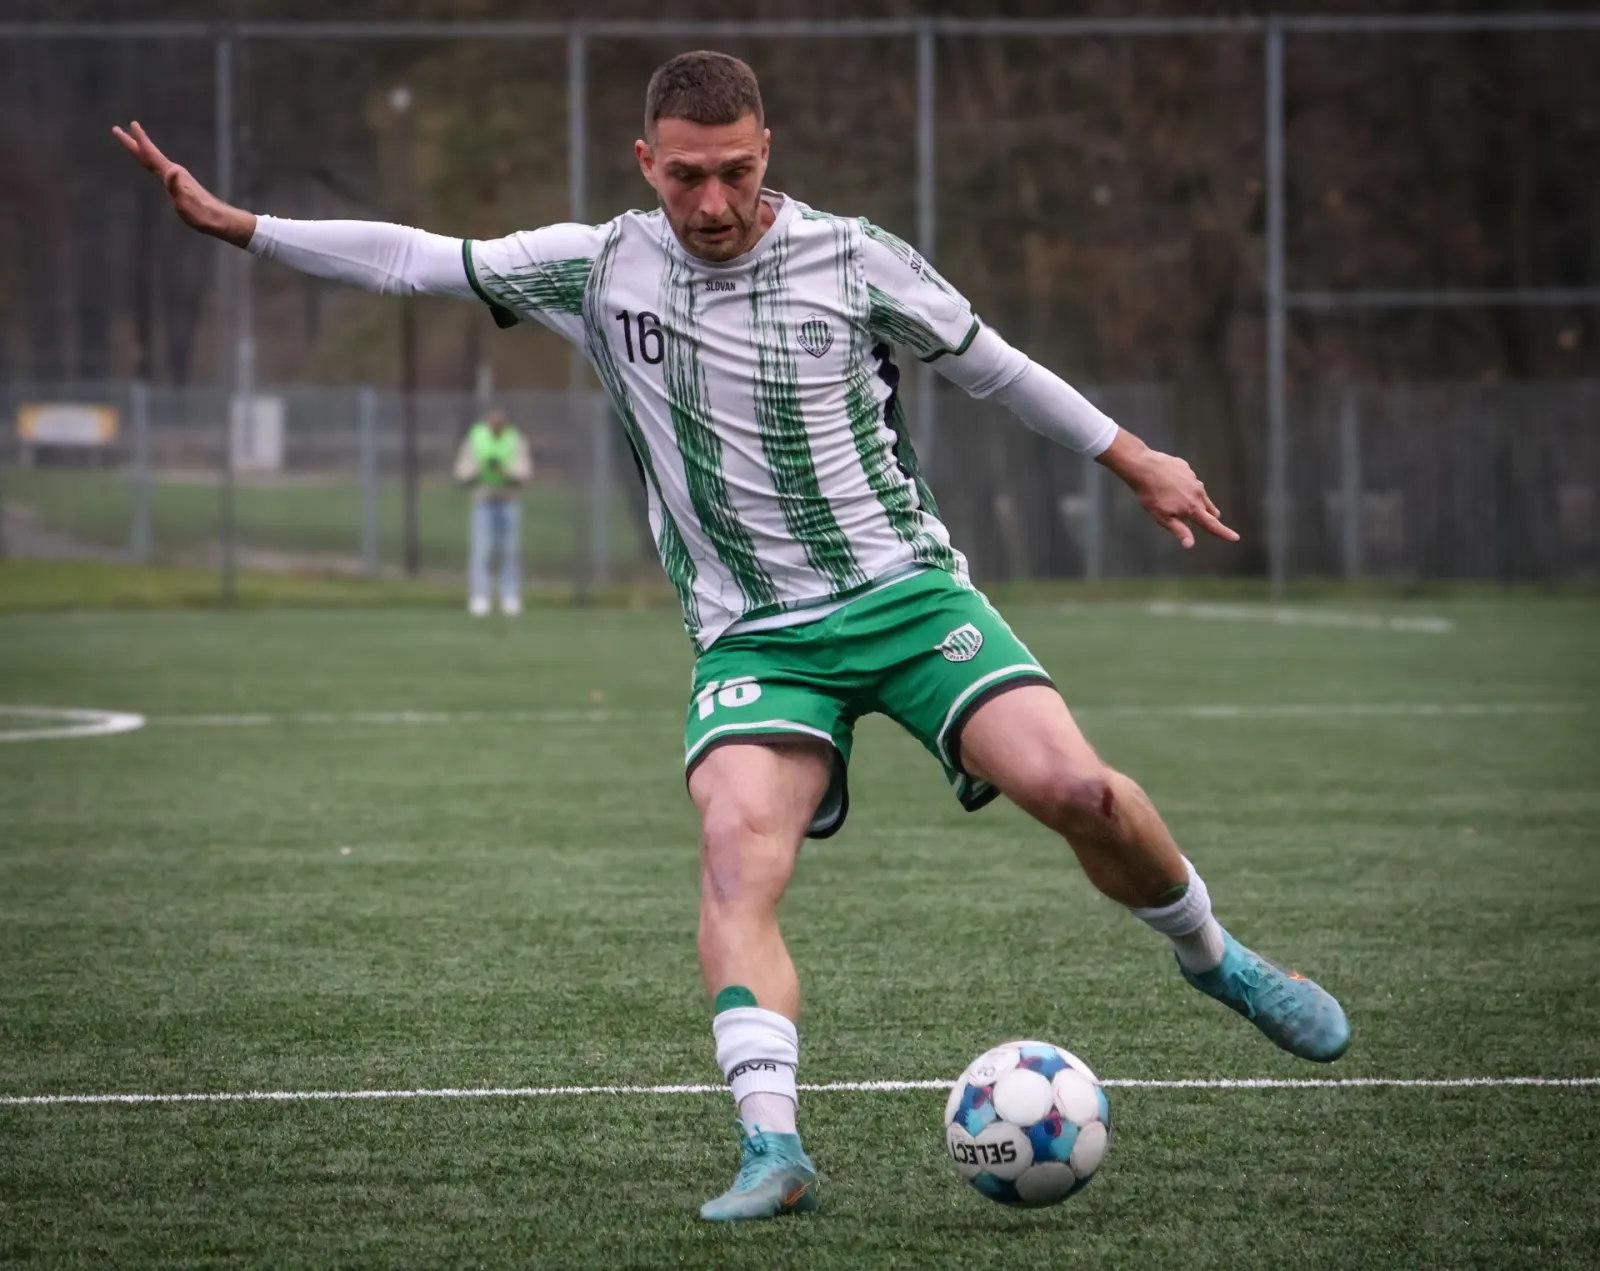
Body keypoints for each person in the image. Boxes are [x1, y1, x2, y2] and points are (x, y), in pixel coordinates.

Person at [115, 49, 1349, 1224]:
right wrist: (242, 226)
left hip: (908, 596)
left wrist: (1134, 458)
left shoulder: (854, 257)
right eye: (685, 175)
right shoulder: (598, 268)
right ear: (645, 161)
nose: (711, 202)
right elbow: (412, 259)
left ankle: (1215, 956)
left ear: (769, 153)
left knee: (1080, 789)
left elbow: (997, 367)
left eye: (735, 172)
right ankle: (772, 1145)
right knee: (732, 856)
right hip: (755, 637)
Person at [453, 406, 532, 616]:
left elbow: (525, 470)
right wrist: (477, 469)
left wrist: (506, 471)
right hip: (483, 500)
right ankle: (480, 597)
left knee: (509, 551)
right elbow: (461, 470)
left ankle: (510, 597)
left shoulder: (514, 438)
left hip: (508, 500)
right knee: (482, 551)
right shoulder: (476, 437)